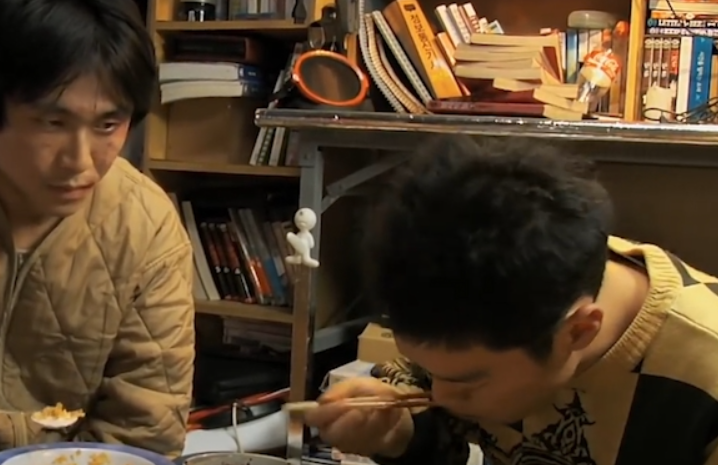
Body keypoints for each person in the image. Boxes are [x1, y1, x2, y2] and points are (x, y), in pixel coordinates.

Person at [0, 0, 194, 459]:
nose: (80, 162)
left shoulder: (146, 228)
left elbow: (143, 433)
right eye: (52, 123)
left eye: (108, 124)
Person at [305, 136, 718, 465]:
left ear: (578, 331)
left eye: (467, 382)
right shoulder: (476, 300)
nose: (442, 395)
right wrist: (400, 436)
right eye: (431, 371)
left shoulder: (702, 377)